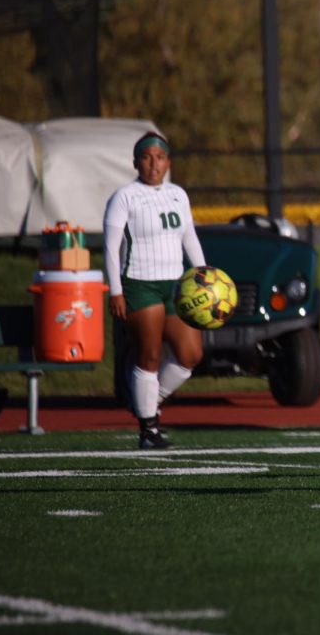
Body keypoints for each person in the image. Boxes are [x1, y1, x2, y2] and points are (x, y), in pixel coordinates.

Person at [103, 131, 205, 449]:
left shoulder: (178, 194)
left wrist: (204, 274)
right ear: (136, 162)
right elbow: (110, 247)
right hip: (139, 284)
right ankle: (148, 429)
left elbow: (189, 238)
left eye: (159, 157)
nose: (153, 163)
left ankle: (148, 401)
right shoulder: (124, 197)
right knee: (149, 355)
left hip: (176, 286)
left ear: (168, 162)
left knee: (190, 354)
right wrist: (116, 290)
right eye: (146, 157)